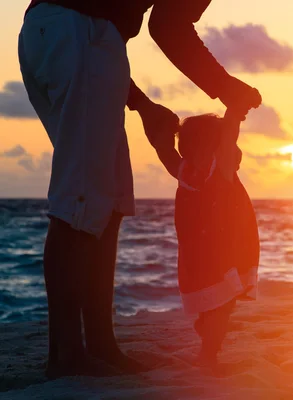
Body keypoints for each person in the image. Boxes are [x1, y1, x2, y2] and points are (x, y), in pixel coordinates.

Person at [17, 0, 261, 379]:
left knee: (108, 197)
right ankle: (67, 356)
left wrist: (144, 105)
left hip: (71, 34)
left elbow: (114, 29)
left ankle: (100, 345)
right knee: (80, 199)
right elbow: (168, 28)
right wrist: (226, 88)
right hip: (76, 31)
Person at [154, 111, 260, 370]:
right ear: (216, 147)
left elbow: (163, 150)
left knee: (214, 301)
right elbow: (230, 132)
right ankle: (208, 356)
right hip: (223, 255)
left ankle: (206, 327)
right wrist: (236, 104)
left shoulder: (183, 170)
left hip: (197, 258)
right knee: (224, 306)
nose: (237, 152)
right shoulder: (219, 169)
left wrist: (161, 128)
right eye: (231, 145)